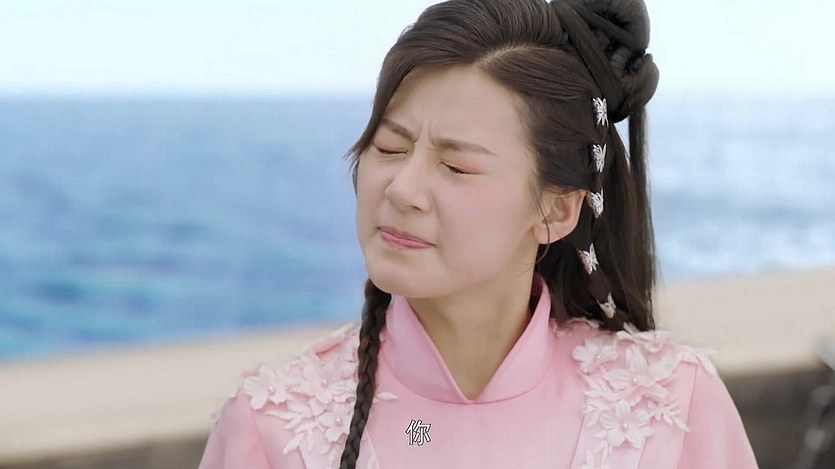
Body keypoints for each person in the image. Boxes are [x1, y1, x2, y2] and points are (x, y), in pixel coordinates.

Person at [199, 0, 759, 467]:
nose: (402, 190)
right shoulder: (270, 428)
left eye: (457, 166)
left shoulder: (673, 406)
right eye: (389, 147)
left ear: (556, 211)